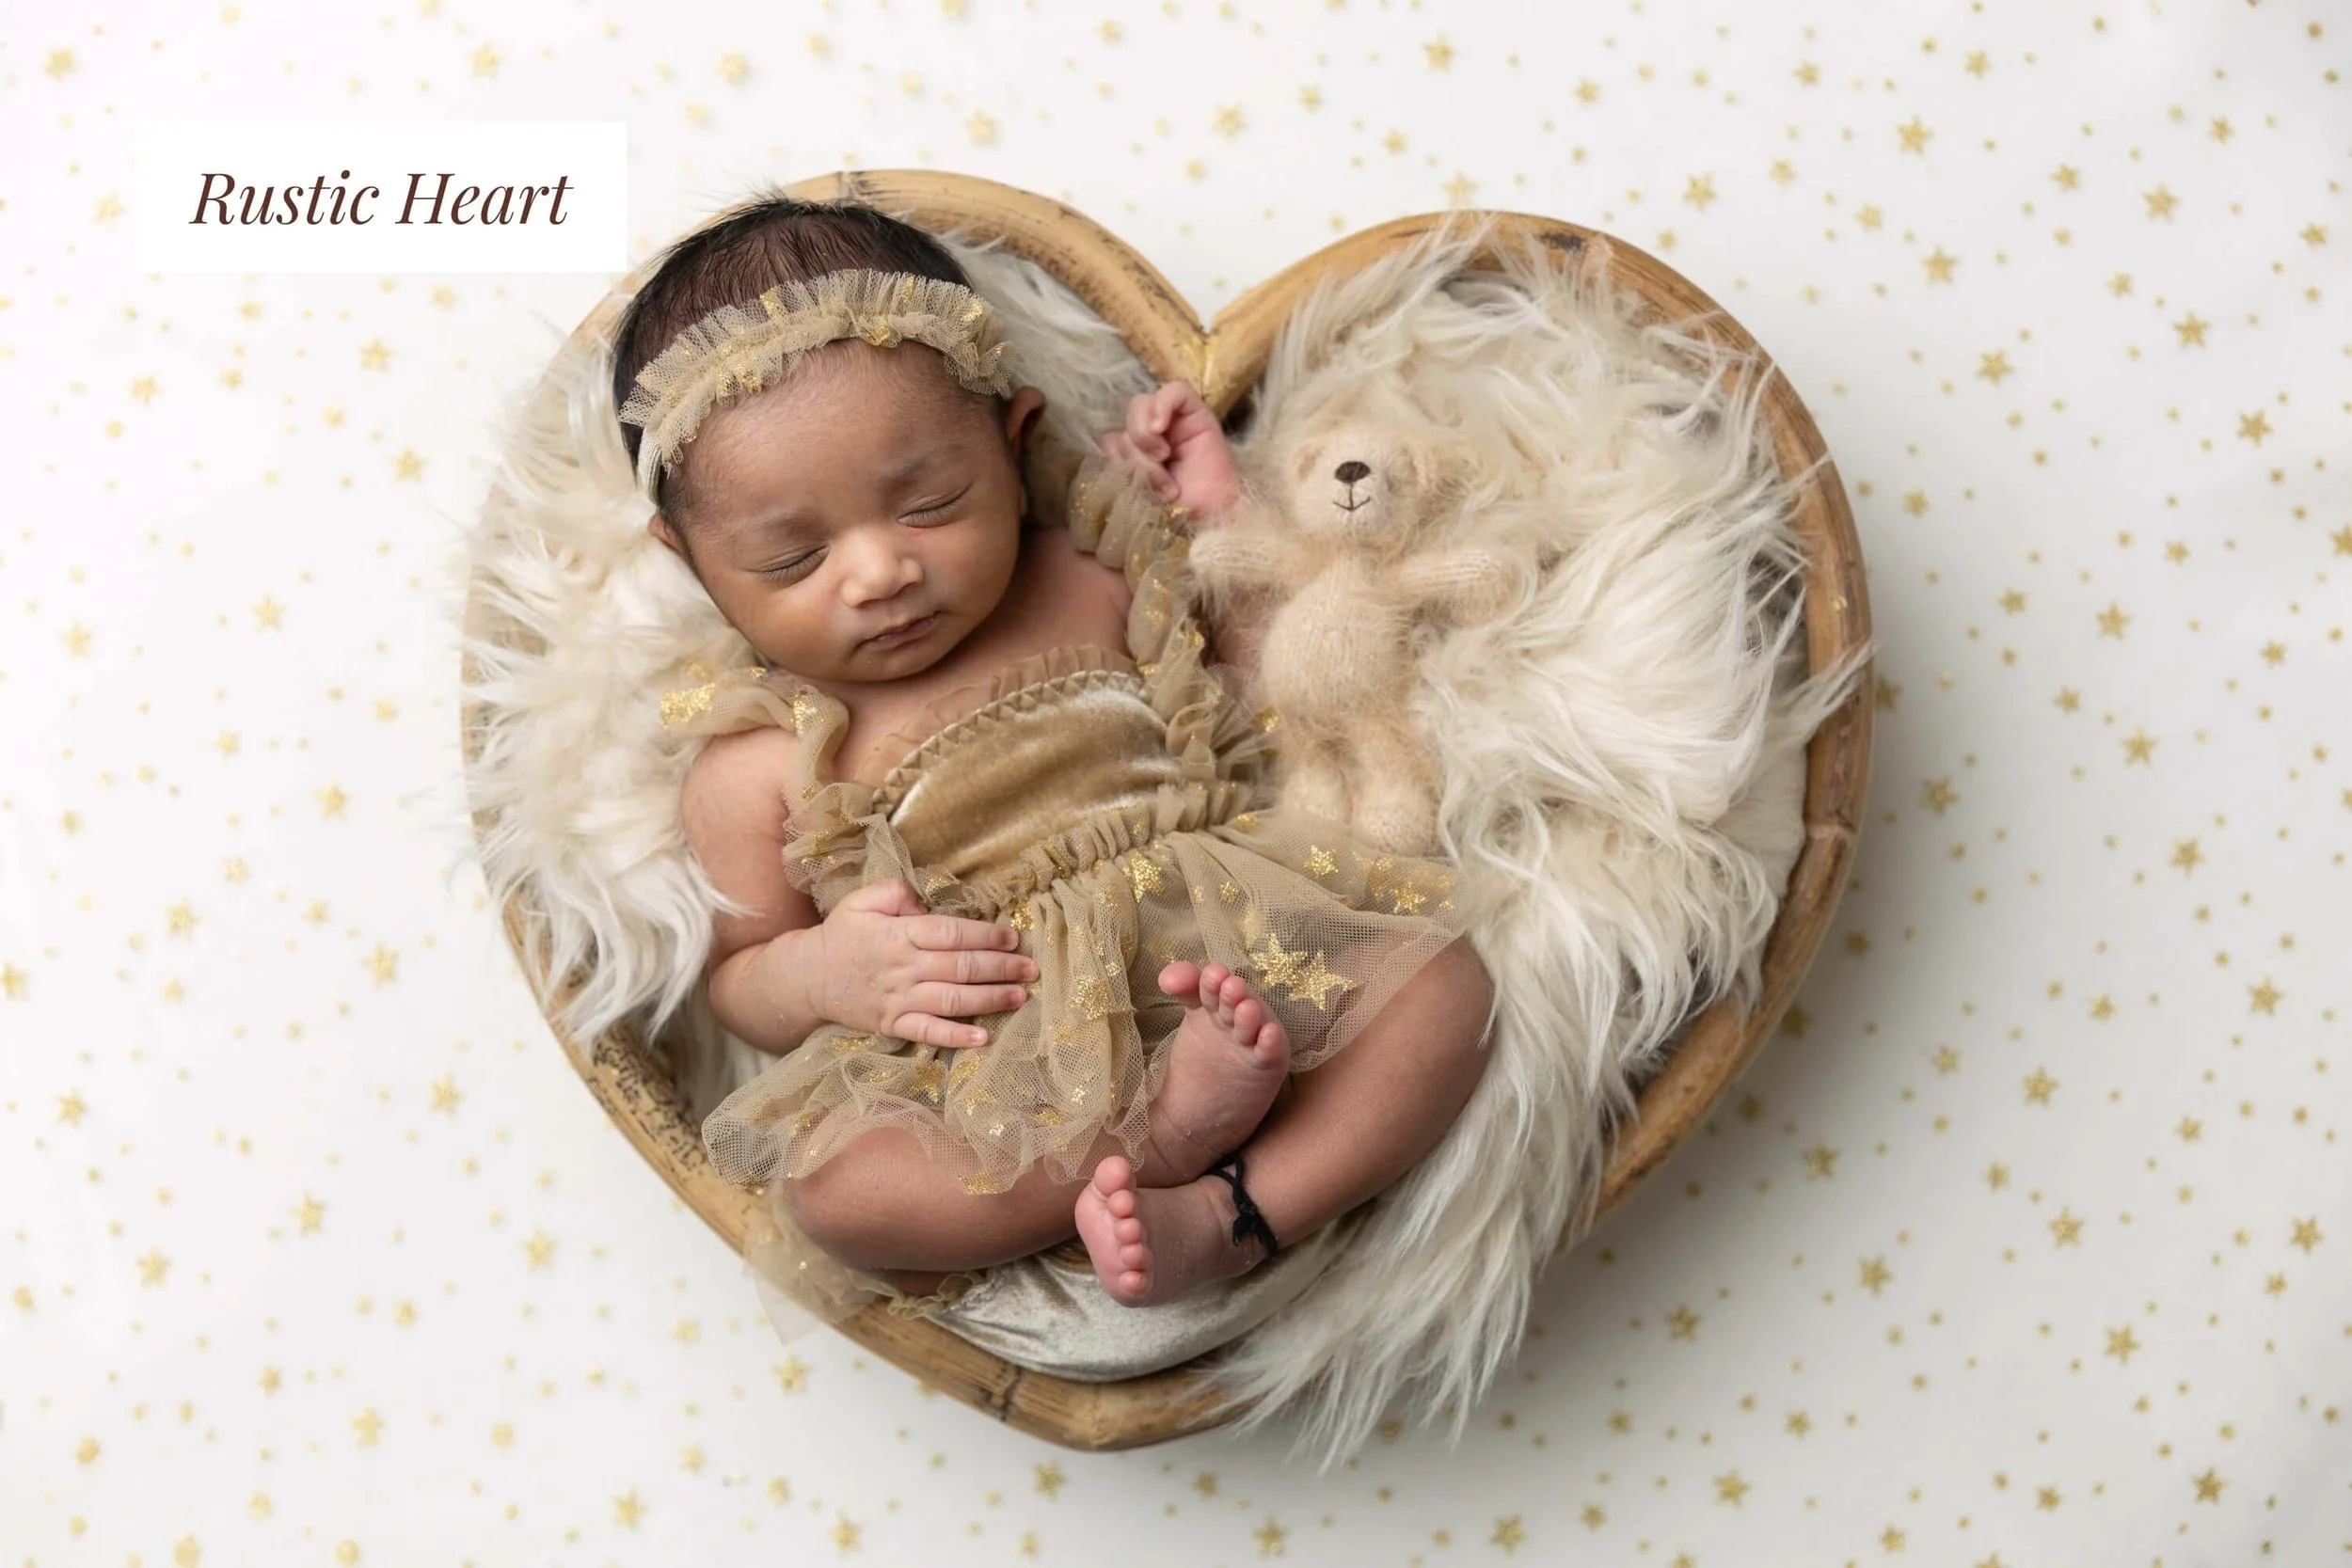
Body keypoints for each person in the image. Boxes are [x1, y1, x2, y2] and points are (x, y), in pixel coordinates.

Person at [628, 194, 1497, 1315]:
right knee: (835, 1190)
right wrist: (824, 972)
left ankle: (1239, 1210)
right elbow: (738, 977)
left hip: (1220, 935)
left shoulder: (1089, 570)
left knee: (1445, 991)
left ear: (1015, 437)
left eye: (932, 502)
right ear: (690, 559)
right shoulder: (754, 759)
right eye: (792, 557)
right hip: (1001, 1040)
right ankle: (1158, 1142)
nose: (879, 571)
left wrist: (1214, 519)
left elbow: (1259, 685)